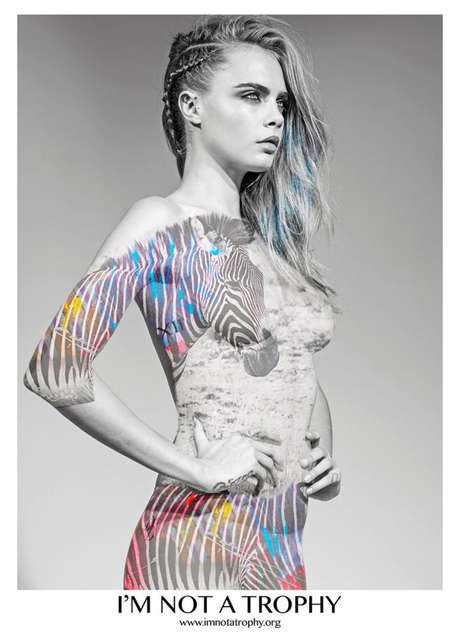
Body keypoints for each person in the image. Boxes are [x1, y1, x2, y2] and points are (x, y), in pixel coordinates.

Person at [23, 14, 342, 590]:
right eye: (251, 95)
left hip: (279, 545)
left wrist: (319, 457)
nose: (275, 116)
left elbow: (295, 370)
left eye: (281, 102)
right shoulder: (162, 222)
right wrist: (196, 469)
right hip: (193, 543)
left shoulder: (270, 247)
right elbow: (55, 369)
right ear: (191, 106)